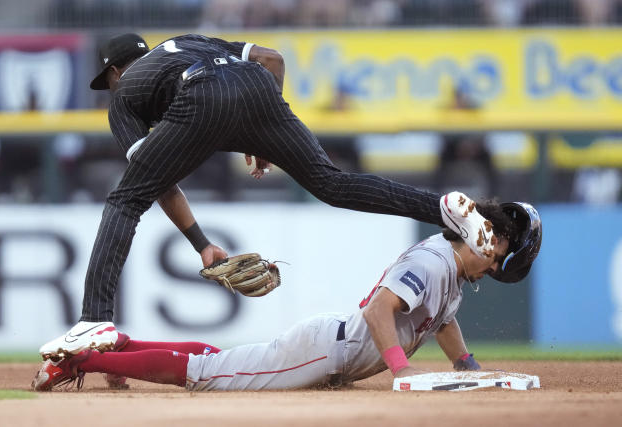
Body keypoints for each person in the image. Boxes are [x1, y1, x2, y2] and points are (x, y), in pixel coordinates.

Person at [38, 33, 497, 360]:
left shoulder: (124, 96)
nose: (110, 88)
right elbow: (272, 59)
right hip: (254, 84)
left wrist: (200, 243)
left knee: (124, 200)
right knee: (331, 183)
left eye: (109, 79)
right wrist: (261, 135)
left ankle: (93, 318)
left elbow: (153, 182)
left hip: (200, 96)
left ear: (116, 71)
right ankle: (444, 208)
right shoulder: (189, 40)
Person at [32, 201, 542, 392]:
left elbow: (443, 322)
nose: (496, 263)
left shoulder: (449, 269)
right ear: (488, 238)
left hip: (330, 350)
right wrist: (401, 370)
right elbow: (378, 309)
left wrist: (467, 365)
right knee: (208, 376)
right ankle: (86, 362)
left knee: (221, 360)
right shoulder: (435, 262)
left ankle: (121, 346)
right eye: (499, 254)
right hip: (328, 351)